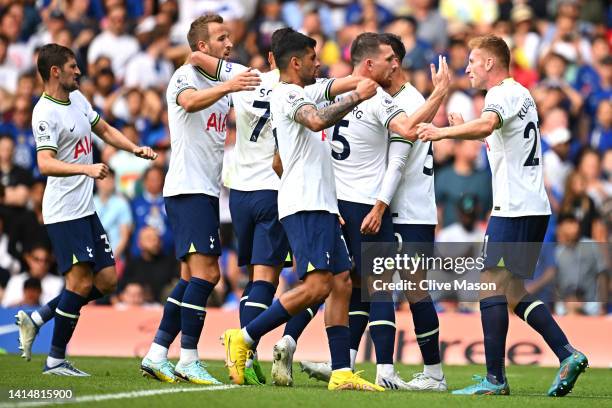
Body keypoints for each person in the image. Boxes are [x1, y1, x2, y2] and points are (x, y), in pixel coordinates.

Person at [189, 26, 371, 386]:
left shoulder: (306, 89)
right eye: (313, 59)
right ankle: (243, 337)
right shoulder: (287, 95)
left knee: (342, 282)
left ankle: (342, 372)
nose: (319, 64)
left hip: (318, 201)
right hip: (304, 204)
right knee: (317, 285)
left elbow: (337, 87)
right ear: (295, 62)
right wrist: (357, 97)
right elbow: (318, 118)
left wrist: (364, 78)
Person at [416, 35, 587, 397]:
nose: (468, 69)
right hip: (533, 207)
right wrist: (470, 133)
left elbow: (488, 125)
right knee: (509, 290)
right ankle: (567, 353)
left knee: (489, 286)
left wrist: (443, 131)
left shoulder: (499, 95)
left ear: (491, 63)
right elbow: (502, 141)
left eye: (473, 62)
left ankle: (495, 379)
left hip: (514, 208)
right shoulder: (521, 94)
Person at [299, 32, 450, 391]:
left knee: (409, 290)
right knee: (363, 285)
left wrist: (380, 205)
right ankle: (348, 363)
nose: (395, 65)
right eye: (391, 59)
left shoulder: (409, 100)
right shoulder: (384, 98)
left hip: (409, 210)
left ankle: (432, 373)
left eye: (394, 60)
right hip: (390, 206)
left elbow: (397, 162)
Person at [15, 43, 156, 375]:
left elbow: (103, 130)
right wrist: (86, 169)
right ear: (55, 71)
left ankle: (38, 318)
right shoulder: (44, 112)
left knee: (107, 280)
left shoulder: (77, 99)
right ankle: (55, 360)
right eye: (72, 66)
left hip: (85, 208)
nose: (78, 71)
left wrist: (134, 148)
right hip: (64, 211)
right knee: (78, 284)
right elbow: (45, 162)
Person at [139, 14, 261, 385]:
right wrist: (228, 88)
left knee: (189, 277)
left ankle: (157, 353)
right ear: (203, 46)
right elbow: (189, 103)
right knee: (208, 274)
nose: (230, 42)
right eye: (221, 38)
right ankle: (188, 358)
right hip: (188, 188)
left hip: (205, 190)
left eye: (230, 36)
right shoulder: (185, 76)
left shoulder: (223, 78)